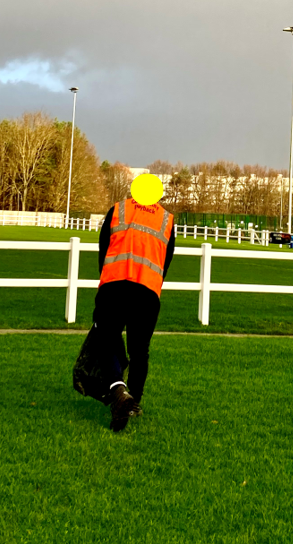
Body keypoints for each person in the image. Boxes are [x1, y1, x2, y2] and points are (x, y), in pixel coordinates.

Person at [91, 174, 175, 431]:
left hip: (114, 285)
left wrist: (105, 281)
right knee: (140, 351)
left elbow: (103, 249)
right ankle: (133, 401)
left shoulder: (117, 210)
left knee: (105, 337)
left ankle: (118, 389)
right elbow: (165, 261)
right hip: (147, 292)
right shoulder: (167, 221)